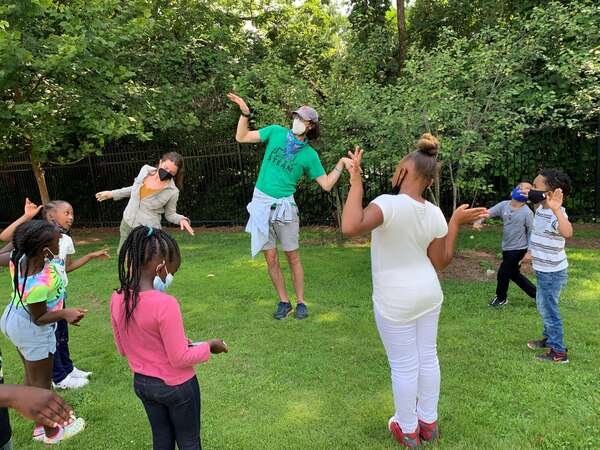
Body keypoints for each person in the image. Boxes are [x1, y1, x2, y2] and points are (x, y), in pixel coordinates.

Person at [341, 135, 488, 448]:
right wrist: (455, 223)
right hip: (429, 293)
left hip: (396, 300)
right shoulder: (434, 212)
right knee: (427, 357)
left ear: (405, 170)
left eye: (398, 167)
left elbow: (351, 226)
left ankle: (407, 429)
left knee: (405, 364)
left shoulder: (388, 204)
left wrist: (356, 182)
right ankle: (428, 423)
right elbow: (441, 262)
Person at [227, 92, 353, 320]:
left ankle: (301, 302)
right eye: (296, 116)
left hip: (285, 209)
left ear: (311, 126)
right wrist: (245, 113)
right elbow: (242, 137)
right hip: (261, 205)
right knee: (271, 258)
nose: (296, 121)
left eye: (302, 119)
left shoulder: (309, 155)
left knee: (293, 257)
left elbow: (325, 184)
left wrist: (342, 163)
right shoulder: (275, 132)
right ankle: (284, 302)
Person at [110, 225, 228, 450]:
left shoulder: (117, 298)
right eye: (172, 272)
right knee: (189, 442)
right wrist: (209, 346)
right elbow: (179, 358)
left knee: (161, 439)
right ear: (160, 267)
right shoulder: (165, 304)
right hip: (177, 388)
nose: (171, 277)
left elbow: (123, 348)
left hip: (143, 384)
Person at [0, 221, 86, 444]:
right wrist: (64, 314)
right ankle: (49, 432)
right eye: (57, 241)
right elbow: (39, 318)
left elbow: (8, 246)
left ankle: (36, 420)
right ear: (44, 249)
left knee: (31, 374)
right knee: (42, 384)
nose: (61, 243)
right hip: (31, 327)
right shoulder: (37, 280)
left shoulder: (19, 257)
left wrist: (23, 229)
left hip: (15, 318)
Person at [42, 200, 110, 389]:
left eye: (72, 213)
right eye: (67, 213)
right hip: (44, 299)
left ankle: (68, 369)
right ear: (51, 216)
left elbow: (67, 267)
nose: (71, 217)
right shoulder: (39, 239)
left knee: (62, 334)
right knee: (51, 337)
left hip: (60, 295)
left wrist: (90, 256)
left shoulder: (66, 240)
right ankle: (58, 378)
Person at [95, 152, 194, 252]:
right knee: (124, 256)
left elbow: (170, 214)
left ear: (175, 174)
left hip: (147, 231)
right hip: (127, 222)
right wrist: (112, 194)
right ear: (160, 162)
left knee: (144, 262)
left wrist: (182, 220)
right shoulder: (145, 171)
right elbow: (135, 190)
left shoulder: (172, 192)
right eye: (165, 167)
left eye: (171, 172)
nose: (167, 172)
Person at [525, 169, 573, 363]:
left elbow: (567, 232)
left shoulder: (555, 214)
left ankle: (559, 352)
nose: (532, 190)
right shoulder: (540, 209)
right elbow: (537, 233)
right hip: (544, 269)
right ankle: (549, 338)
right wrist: (530, 252)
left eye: (536, 187)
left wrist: (556, 210)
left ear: (551, 194)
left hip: (552, 272)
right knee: (544, 305)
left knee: (549, 310)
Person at [474, 182, 537, 307]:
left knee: (503, 273)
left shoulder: (527, 213)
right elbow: (488, 213)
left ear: (529, 197)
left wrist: (529, 252)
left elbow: (532, 232)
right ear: (513, 191)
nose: (522, 189)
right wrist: (478, 221)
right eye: (520, 186)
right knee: (513, 274)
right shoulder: (504, 205)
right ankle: (538, 295)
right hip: (507, 248)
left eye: (528, 188)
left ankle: (501, 298)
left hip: (519, 248)